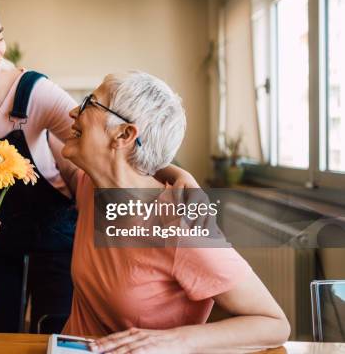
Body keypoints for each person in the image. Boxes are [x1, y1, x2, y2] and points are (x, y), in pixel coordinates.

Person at [0, 0, 198, 332]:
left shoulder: (31, 92)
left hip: (59, 242)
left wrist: (174, 173)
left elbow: (105, 142)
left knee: (52, 334)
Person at [60, 71, 290, 353]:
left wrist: (176, 340)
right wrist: (179, 171)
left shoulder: (179, 224)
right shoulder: (91, 184)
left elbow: (274, 323)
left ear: (124, 134)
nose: (73, 110)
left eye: (88, 103)